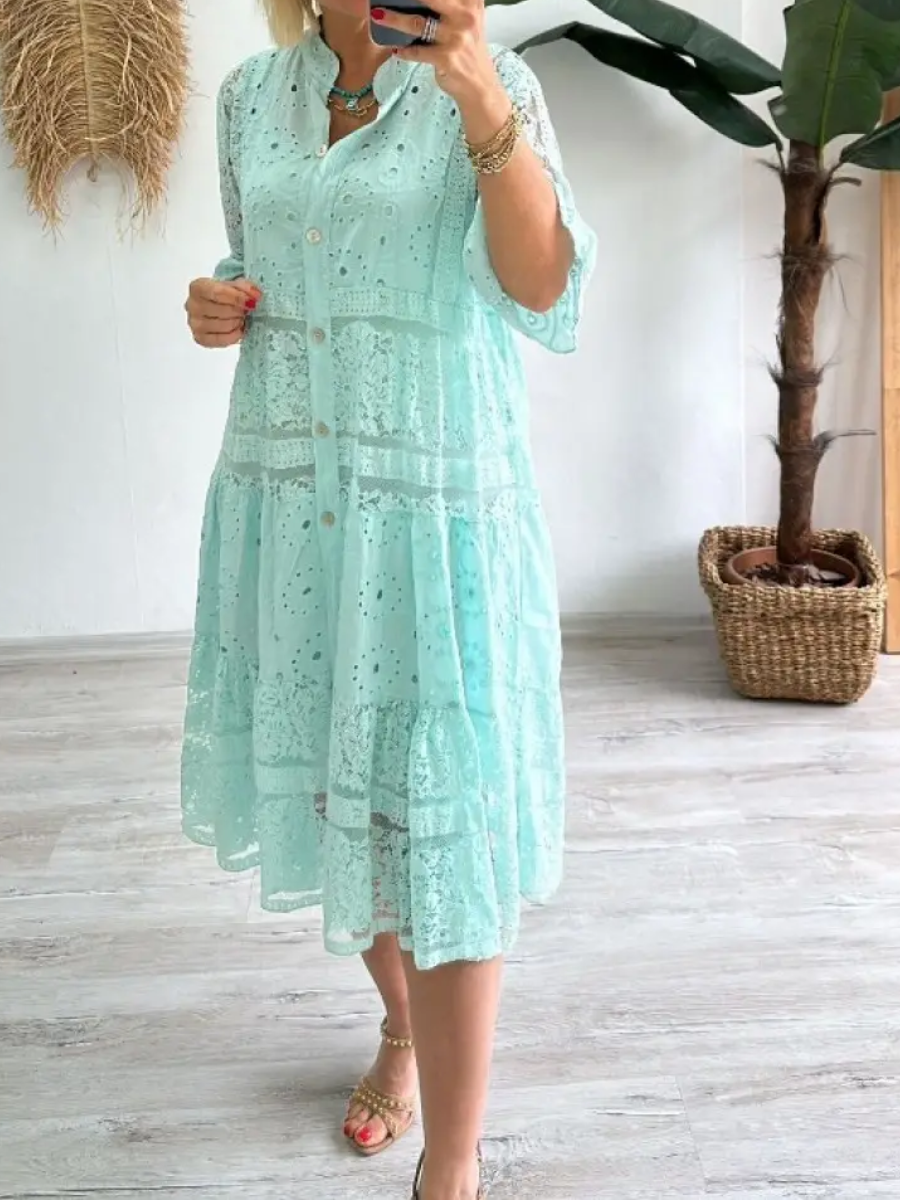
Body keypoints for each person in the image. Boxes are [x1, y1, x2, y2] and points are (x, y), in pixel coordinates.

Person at [181, 0, 595, 1195]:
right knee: (335, 794)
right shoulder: (249, 99)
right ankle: (405, 1025)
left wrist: (480, 98)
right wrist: (217, 302)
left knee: (443, 827)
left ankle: (451, 1166)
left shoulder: (493, 83)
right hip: (293, 510)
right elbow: (270, 263)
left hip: (431, 517)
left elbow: (541, 286)